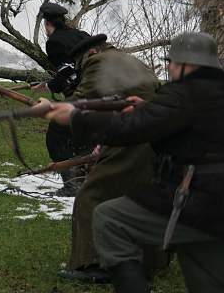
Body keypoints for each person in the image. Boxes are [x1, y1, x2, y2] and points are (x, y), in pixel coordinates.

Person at [44, 32, 224, 293]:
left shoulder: (186, 93)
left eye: (172, 62)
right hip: (212, 207)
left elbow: (129, 129)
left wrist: (75, 117)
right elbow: (183, 125)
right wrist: (148, 110)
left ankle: (104, 268)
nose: (169, 68)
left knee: (110, 217)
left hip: (201, 202)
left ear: (188, 65)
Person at [57, 34, 168, 283]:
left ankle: (94, 264)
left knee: (91, 195)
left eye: (80, 63)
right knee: (142, 197)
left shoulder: (99, 62)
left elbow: (81, 102)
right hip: (153, 132)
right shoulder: (128, 60)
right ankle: (152, 260)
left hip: (134, 136)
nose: (81, 68)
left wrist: (49, 106)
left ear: (91, 53)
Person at [32, 2, 91, 197]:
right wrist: (49, 83)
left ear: (47, 24)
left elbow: (67, 72)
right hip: (98, 90)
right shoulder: (81, 35)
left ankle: (72, 185)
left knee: (56, 139)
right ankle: (86, 180)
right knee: (83, 140)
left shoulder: (54, 42)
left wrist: (51, 86)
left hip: (81, 95)